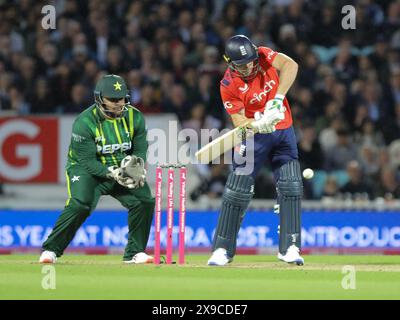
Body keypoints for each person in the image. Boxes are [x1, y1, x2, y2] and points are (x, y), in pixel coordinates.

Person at [207, 35, 304, 266]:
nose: (249, 66)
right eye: (242, 64)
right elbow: (238, 120)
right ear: (230, 63)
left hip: (283, 131)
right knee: (237, 192)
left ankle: (289, 247)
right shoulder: (228, 85)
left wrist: (278, 99)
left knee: (291, 186)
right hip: (253, 138)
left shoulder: (262, 54)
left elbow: (291, 65)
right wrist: (257, 124)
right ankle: (222, 250)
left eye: (251, 60)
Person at [39, 74, 155, 264]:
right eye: (113, 100)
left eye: (122, 98)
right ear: (100, 98)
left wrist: (137, 166)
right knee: (80, 204)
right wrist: (113, 173)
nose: (118, 103)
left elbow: (140, 148)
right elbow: (87, 161)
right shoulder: (84, 122)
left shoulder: (135, 116)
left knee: (144, 201)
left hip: (121, 167)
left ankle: (134, 253)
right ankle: (50, 250)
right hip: (86, 170)